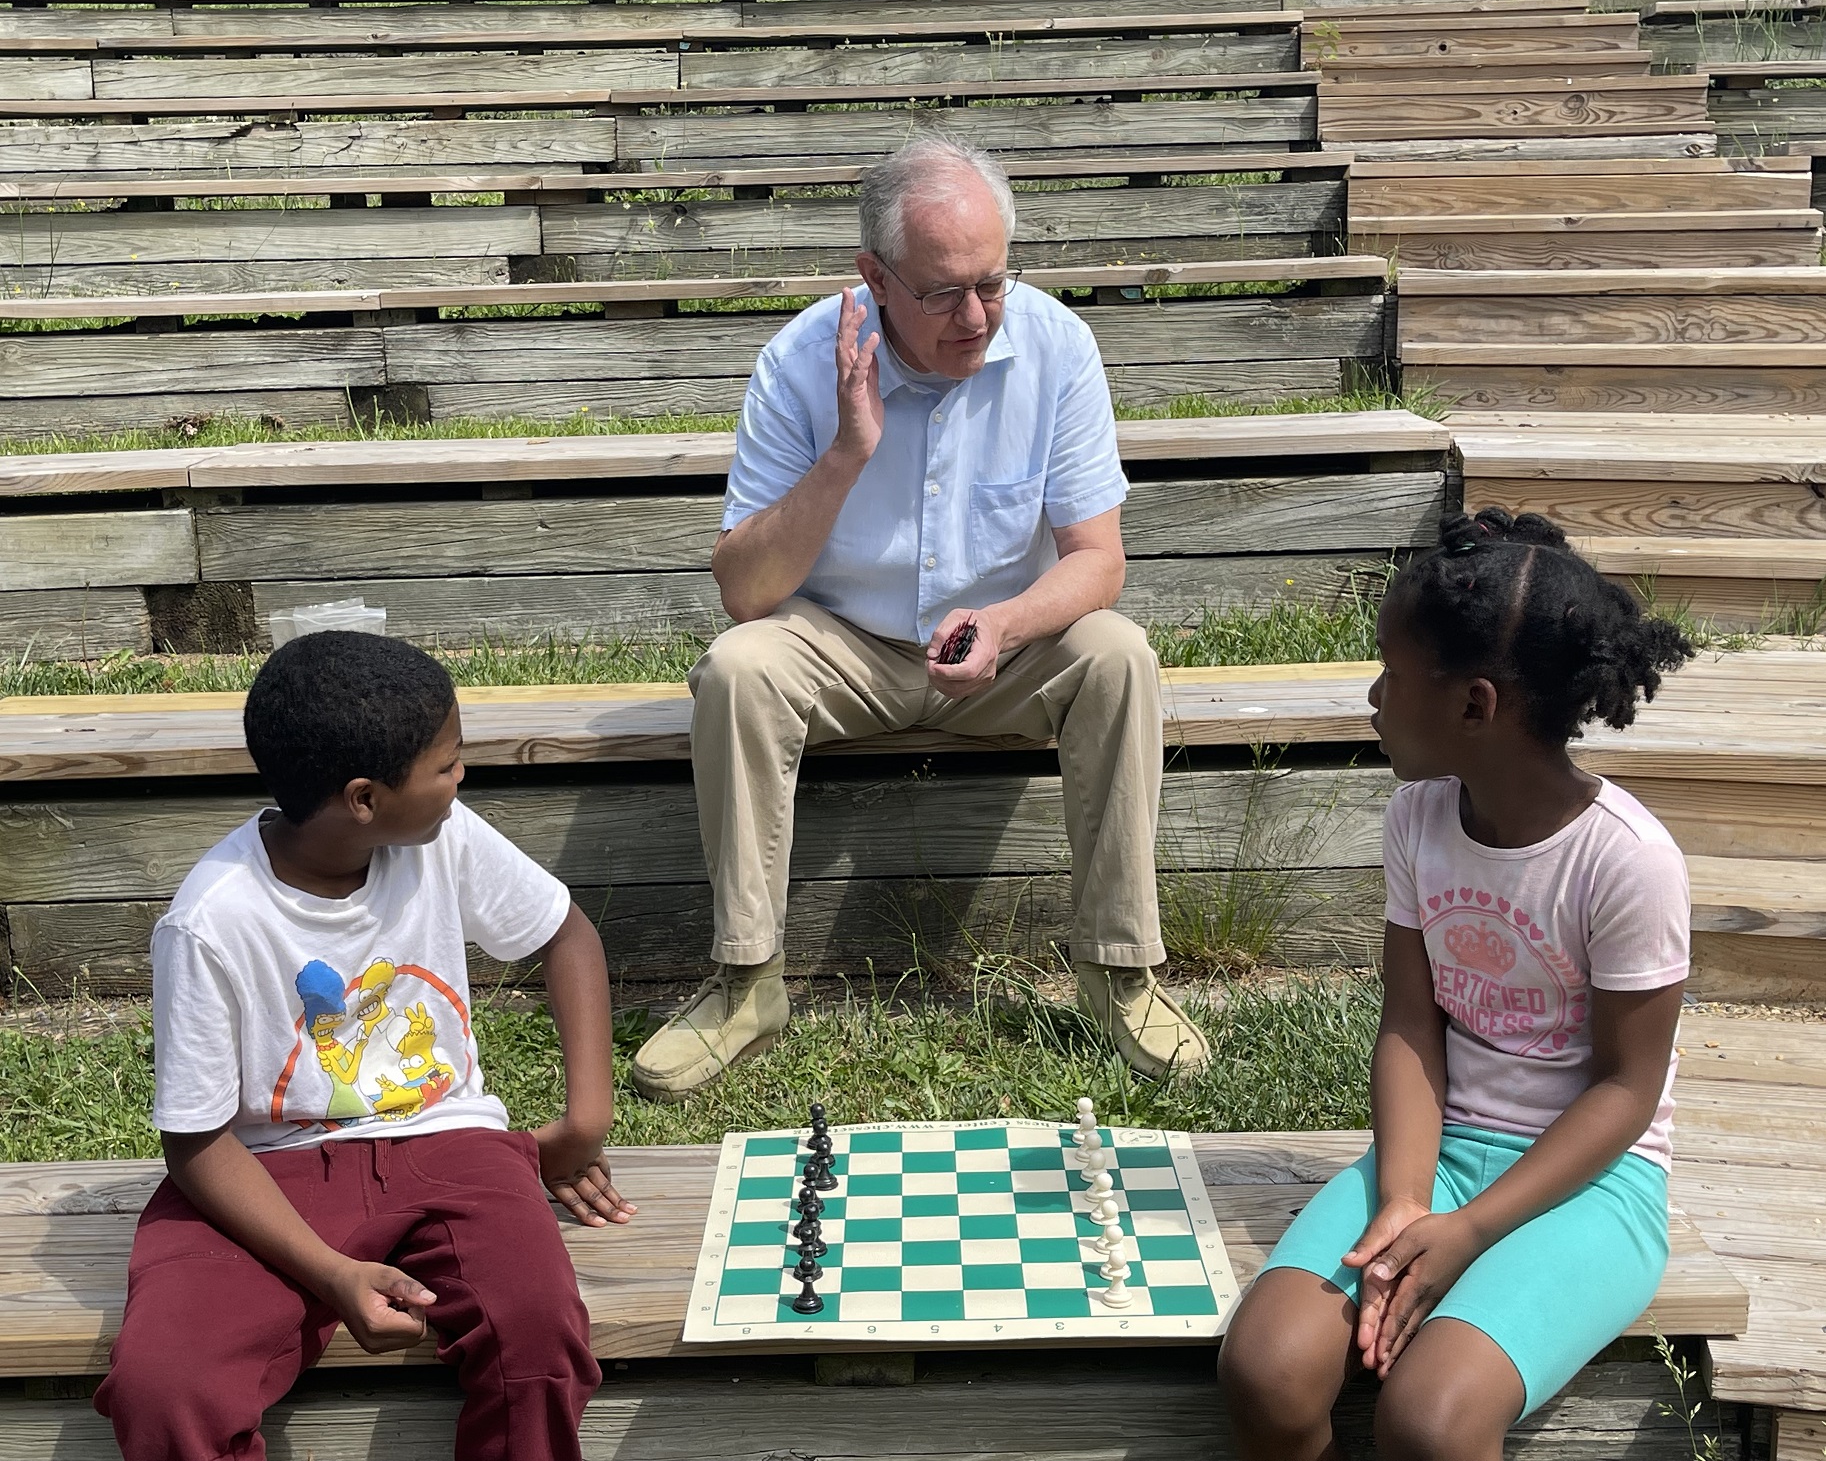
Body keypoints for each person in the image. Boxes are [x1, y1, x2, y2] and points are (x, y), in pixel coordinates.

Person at [629, 133, 1209, 1101]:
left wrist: (1009, 623)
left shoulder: (1056, 345)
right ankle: (746, 984)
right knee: (737, 666)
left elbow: (1097, 561)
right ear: (874, 277)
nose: (975, 316)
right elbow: (745, 591)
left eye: (992, 283)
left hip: (1005, 639)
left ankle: (1118, 971)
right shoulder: (800, 358)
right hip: (839, 643)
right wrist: (847, 452)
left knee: (1117, 655)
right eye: (943, 292)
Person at [1217, 509, 1696, 1461]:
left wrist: (1469, 1229)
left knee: (1430, 1422)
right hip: (1437, 1153)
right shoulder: (1418, 818)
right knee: (1266, 1370)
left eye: (1394, 675)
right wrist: (1404, 1206)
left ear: (1476, 706)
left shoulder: (1628, 861)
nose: (1374, 694)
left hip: (1593, 1183)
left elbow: (1626, 1089)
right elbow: (1409, 1021)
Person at [95, 631, 635, 1461]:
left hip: (450, 1143)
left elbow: (566, 934)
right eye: (448, 764)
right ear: (363, 798)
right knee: (164, 1385)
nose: (462, 779)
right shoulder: (209, 919)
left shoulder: (442, 837)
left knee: (537, 1335)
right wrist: (330, 1271)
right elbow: (195, 1141)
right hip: (268, 1171)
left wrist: (584, 1123)